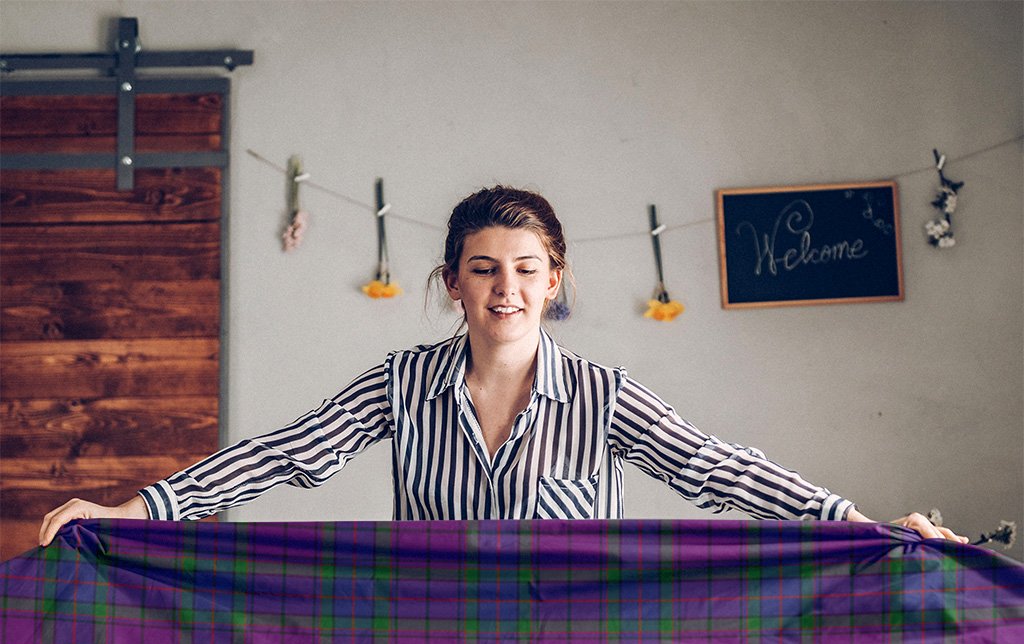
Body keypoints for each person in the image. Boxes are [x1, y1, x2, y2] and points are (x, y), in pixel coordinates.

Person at [39, 186, 968, 546]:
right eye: (484, 270)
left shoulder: (605, 398)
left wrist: (857, 522)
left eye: (527, 271)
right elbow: (284, 456)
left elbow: (718, 468)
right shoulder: (401, 382)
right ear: (453, 284)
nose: (506, 289)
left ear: (554, 281)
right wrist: (135, 511)